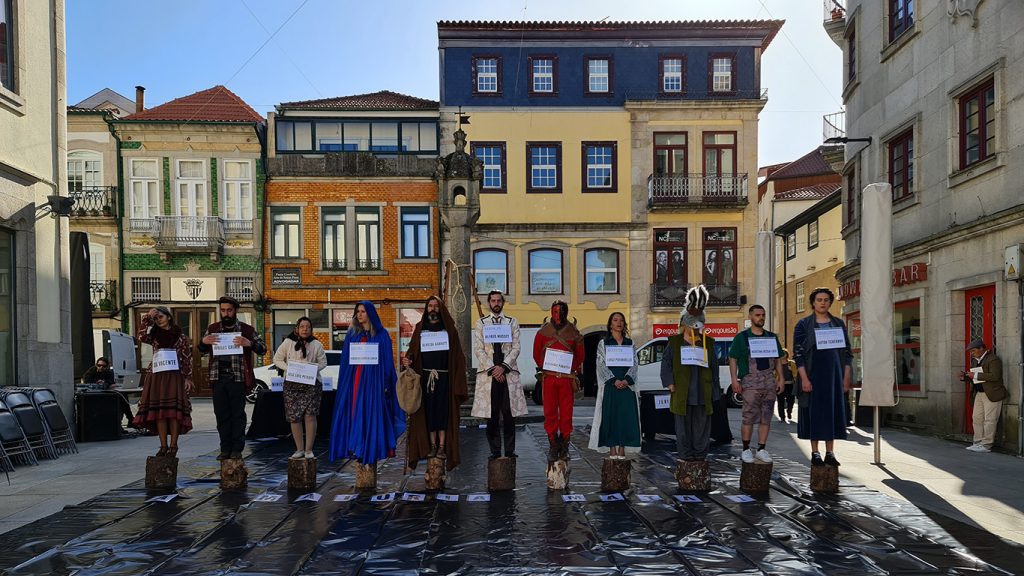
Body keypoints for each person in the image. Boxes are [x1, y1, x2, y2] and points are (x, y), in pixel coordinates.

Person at [328, 300, 405, 464]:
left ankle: (369, 448)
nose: (359, 314)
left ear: (370, 313)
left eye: (363, 311)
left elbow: (387, 361)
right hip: (355, 379)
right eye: (358, 311)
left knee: (370, 412)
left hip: (373, 381)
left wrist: (386, 382)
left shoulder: (382, 334)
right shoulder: (352, 335)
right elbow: (346, 361)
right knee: (356, 411)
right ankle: (357, 447)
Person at [197, 296, 267, 460]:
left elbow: (262, 349)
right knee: (221, 415)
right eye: (223, 310)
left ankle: (237, 449)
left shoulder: (246, 330)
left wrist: (248, 343)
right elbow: (201, 349)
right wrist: (203, 341)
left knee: (237, 415)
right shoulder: (213, 328)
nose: (226, 313)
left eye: (229, 310)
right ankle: (224, 448)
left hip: (237, 378)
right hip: (218, 377)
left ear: (235, 311)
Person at [402, 296, 467, 469]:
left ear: (440, 309)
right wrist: (408, 360)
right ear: (426, 308)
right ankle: (431, 446)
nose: (432, 309)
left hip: (445, 378)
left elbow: (458, 357)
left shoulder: (449, 330)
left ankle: (442, 447)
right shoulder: (420, 329)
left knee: (443, 413)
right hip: (425, 380)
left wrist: (458, 383)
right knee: (429, 413)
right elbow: (412, 352)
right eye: (430, 306)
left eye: (436, 306)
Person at [793, 287, 852, 466]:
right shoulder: (803, 324)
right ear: (813, 302)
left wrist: (846, 377)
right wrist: (804, 378)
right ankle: (815, 452)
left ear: (830, 302)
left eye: (826, 299)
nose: (823, 302)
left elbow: (848, 353)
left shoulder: (838, 324)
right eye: (819, 299)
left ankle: (830, 453)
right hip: (813, 376)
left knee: (832, 414)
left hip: (834, 377)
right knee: (814, 414)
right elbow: (798, 354)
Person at [661, 285, 720, 462]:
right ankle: (685, 455)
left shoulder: (708, 343)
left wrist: (715, 390)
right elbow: (666, 364)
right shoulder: (674, 342)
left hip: (703, 392)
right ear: (684, 323)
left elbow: (714, 367)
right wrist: (670, 383)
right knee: (682, 426)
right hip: (682, 392)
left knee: (702, 426)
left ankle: (700, 455)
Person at [472, 290, 528, 460]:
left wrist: (503, 367)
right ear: (489, 303)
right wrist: (493, 369)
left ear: (503, 302)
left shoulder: (512, 322)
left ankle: (510, 451)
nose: (496, 303)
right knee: (492, 414)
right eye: (493, 301)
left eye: (499, 300)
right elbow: (479, 349)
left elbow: (516, 348)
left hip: (507, 373)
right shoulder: (481, 323)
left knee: (509, 414)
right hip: (490, 375)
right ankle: (495, 451)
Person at [132, 306, 193, 457]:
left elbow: (186, 358)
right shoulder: (154, 335)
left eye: (161, 317)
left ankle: (173, 445)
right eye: (156, 318)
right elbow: (139, 336)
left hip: (174, 375)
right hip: (157, 375)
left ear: (169, 317)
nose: (158, 320)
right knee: (159, 412)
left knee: (173, 412)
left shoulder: (181, 337)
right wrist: (147, 318)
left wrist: (188, 377)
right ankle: (163, 445)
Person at [728, 305, 785, 464]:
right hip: (750, 383)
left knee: (766, 417)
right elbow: (733, 358)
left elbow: (778, 359)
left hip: (769, 382)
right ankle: (746, 449)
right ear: (751, 316)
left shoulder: (771, 337)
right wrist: (734, 379)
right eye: (758, 315)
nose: (761, 318)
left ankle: (761, 449)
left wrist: (780, 378)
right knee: (748, 417)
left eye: (763, 315)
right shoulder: (742, 338)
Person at [533, 300, 584, 461]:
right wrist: (545, 366)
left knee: (567, 413)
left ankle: (565, 443)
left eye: (562, 312)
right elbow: (536, 354)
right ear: (551, 312)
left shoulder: (574, 333)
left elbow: (580, 355)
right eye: (555, 311)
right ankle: (553, 444)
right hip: (549, 378)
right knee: (550, 412)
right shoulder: (542, 333)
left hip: (567, 379)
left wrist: (571, 368)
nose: (558, 315)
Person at [273, 317, 327, 460]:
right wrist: (289, 368)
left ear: (311, 329)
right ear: (297, 328)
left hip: (311, 384)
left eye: (307, 327)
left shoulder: (316, 344)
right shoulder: (288, 343)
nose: (305, 329)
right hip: (292, 384)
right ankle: (299, 449)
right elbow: (277, 359)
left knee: (310, 415)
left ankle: (309, 450)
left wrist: (312, 369)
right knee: (294, 417)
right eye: (302, 326)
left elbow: (323, 362)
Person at [589, 312, 640, 458]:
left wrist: (627, 380)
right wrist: (614, 380)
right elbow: (601, 364)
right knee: (610, 416)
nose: (619, 322)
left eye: (621, 320)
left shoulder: (630, 343)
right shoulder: (604, 343)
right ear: (610, 324)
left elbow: (635, 364)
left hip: (626, 386)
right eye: (615, 320)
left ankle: (622, 447)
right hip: (611, 386)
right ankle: (612, 447)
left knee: (625, 417)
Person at [961, 339, 1007, 452]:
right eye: (970, 351)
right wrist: (966, 377)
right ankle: (977, 442)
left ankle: (986, 445)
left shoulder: (993, 359)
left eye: (973, 350)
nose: (971, 353)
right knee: (977, 419)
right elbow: (976, 378)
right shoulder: (974, 360)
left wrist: (975, 374)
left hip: (992, 393)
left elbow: (995, 376)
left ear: (982, 348)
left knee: (990, 420)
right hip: (979, 393)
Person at [81, 356, 135, 428]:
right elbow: (86, 381)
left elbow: (111, 382)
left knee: (123, 396)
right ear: (96, 365)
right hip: (94, 394)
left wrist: (105, 383)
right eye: (99, 365)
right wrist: (97, 383)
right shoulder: (92, 371)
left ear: (107, 366)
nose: (101, 367)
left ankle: (129, 419)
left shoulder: (109, 372)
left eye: (103, 366)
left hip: (107, 393)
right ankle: (125, 422)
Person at [777, 348, 797, 423]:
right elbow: (774, 374)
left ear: (787, 355)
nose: (783, 354)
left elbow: (796, 373)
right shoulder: (777, 364)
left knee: (791, 400)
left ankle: (789, 411)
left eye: (784, 353)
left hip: (790, 384)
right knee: (780, 401)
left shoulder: (791, 363)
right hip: (779, 385)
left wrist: (791, 370)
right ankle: (782, 417)